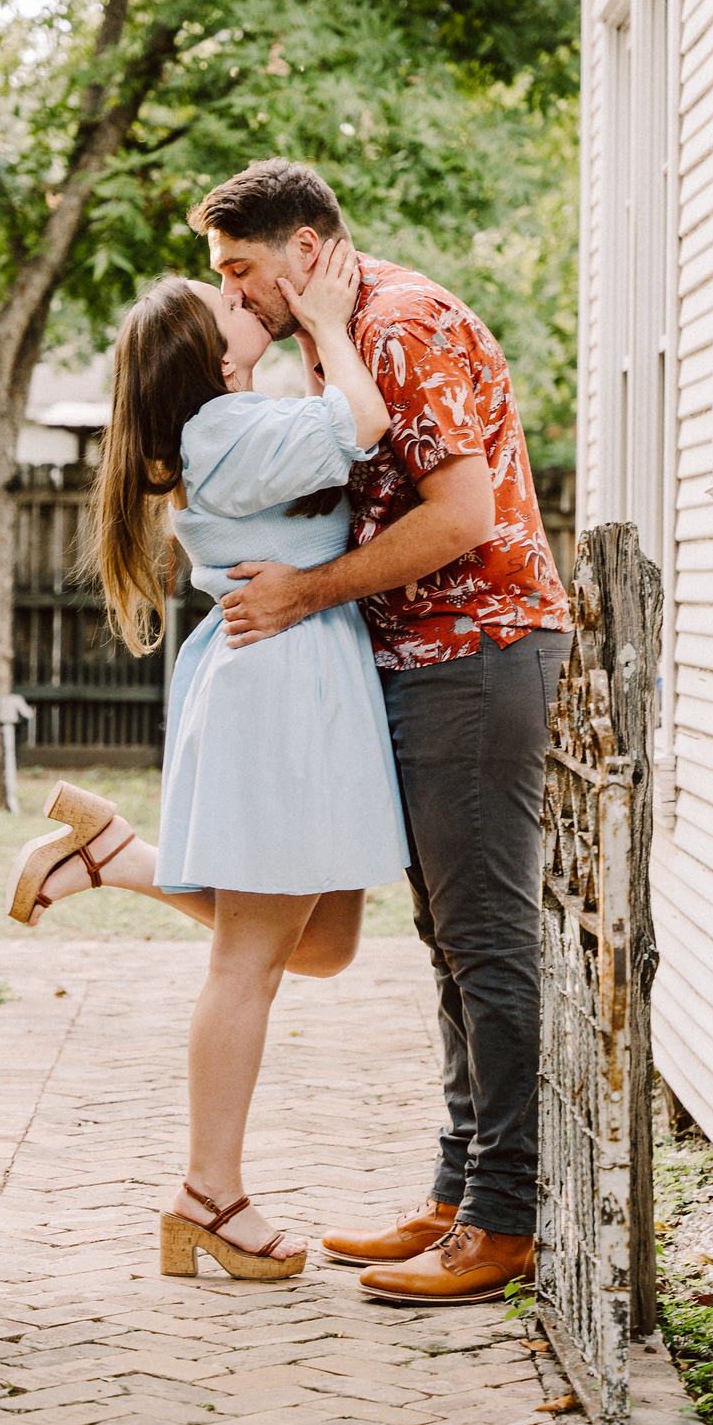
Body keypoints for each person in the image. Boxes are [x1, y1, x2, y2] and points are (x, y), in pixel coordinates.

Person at [187, 159, 572, 1308]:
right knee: (448, 941)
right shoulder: (336, 335)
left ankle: (504, 1216)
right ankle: (458, 1192)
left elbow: (462, 516)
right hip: (423, 661)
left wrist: (305, 592)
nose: (230, 295)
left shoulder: (396, 325)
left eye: (240, 270)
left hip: (476, 651)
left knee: (485, 938)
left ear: (305, 250)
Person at [4, 243, 409, 1281]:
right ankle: (208, 1195)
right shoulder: (225, 429)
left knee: (326, 945)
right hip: (282, 689)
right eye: (221, 299)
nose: (239, 296)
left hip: (297, 676)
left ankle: (112, 857)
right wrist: (327, 322)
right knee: (249, 963)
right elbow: (363, 422)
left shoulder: (234, 422)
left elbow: (335, 430)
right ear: (210, 355)